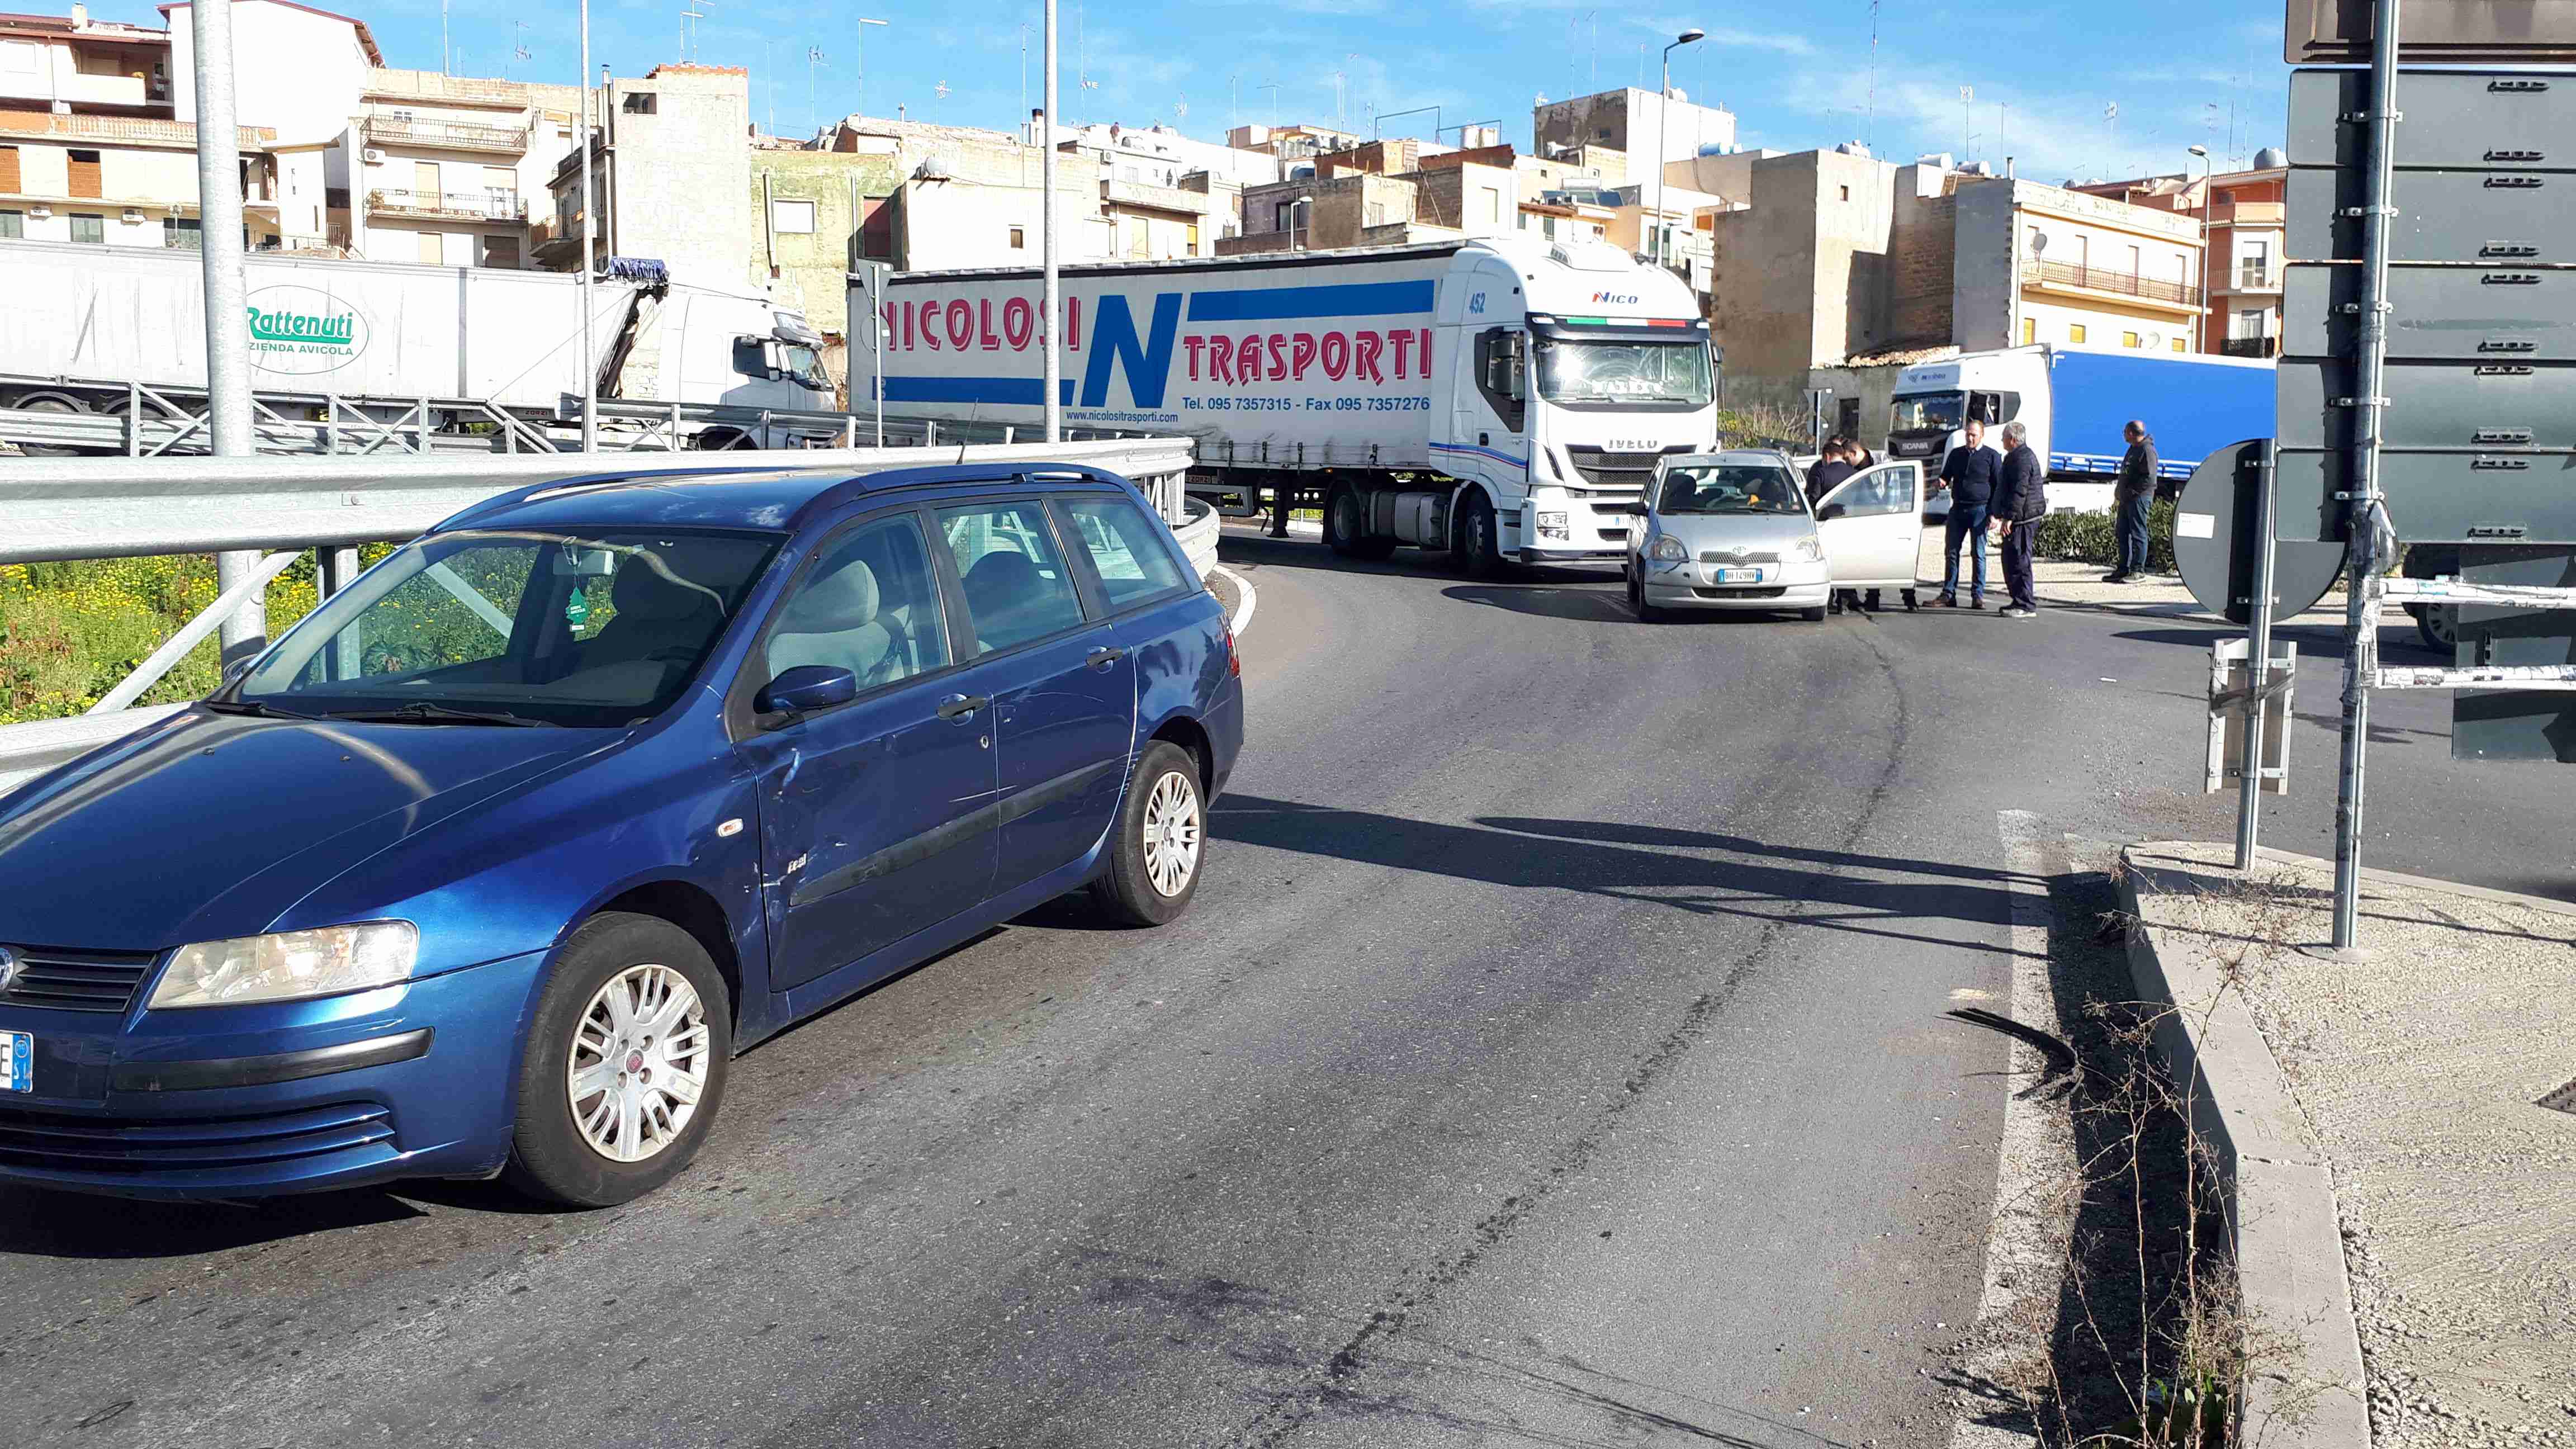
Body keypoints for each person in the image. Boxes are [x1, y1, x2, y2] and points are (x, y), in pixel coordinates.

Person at [1934, 418, 1999, 608]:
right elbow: (1946, 475)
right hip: (1958, 509)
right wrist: (1942, 482)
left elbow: (1998, 486)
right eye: (1968, 435)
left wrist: (1994, 514)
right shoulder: (1956, 454)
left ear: (1982, 436)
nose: (1970, 439)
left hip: (1980, 510)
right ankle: (1948, 594)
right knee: (1952, 552)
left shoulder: (1991, 456)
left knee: (1978, 554)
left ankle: (1977, 595)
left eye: (1974, 435)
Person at [1991, 421, 2047, 618]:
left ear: (2013, 440)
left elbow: (2019, 491)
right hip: (2017, 517)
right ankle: (2018, 599)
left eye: (2004, 437)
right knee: (2010, 558)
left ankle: (2026, 604)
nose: (2002, 441)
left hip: (2024, 519)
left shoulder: (2023, 459)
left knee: (2020, 559)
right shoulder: (2013, 457)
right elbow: (2004, 488)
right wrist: (1997, 513)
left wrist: (2009, 518)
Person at [2108, 419, 2159, 583]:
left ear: (2131, 433)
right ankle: (2123, 568)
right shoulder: (2133, 449)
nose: (2123, 434)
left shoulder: (2147, 450)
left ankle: (2138, 570)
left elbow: (2149, 479)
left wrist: (2131, 493)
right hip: (2126, 499)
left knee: (2138, 533)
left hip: (2139, 499)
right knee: (2122, 532)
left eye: (2125, 432)